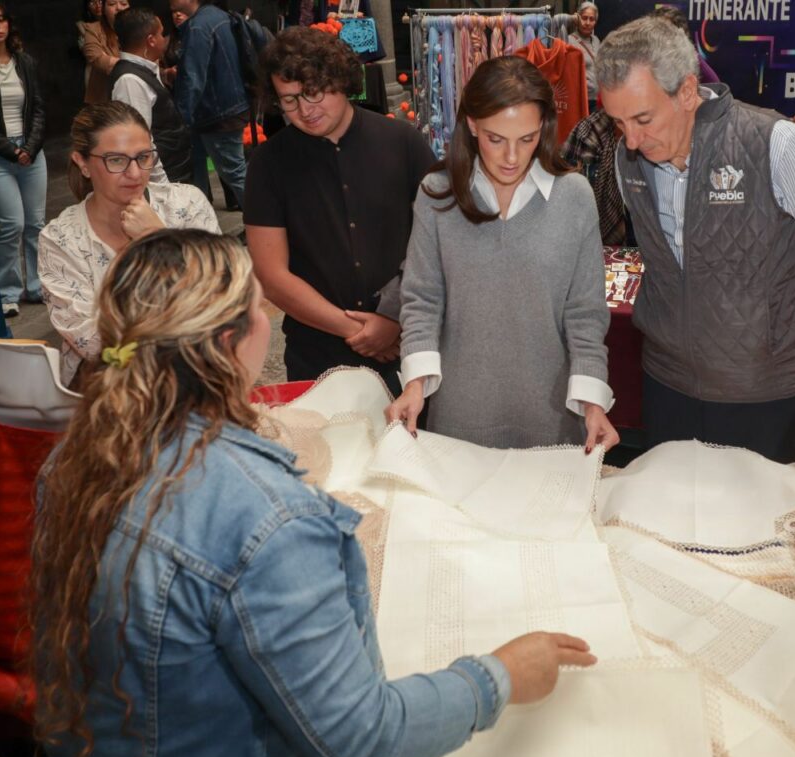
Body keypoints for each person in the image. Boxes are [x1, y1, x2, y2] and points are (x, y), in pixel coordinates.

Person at [30, 227, 597, 757]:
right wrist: (499, 676)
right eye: (258, 307)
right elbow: (364, 739)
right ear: (230, 344)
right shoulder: (267, 517)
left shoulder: (78, 454)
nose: (266, 320)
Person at [596, 17, 795, 463]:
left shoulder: (776, 145)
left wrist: (776, 316)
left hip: (765, 391)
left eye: (642, 118)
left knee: (766, 526)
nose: (633, 139)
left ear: (685, 91)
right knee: (673, 521)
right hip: (668, 384)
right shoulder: (628, 162)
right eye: (618, 122)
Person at [385, 56, 618, 453]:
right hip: (459, 416)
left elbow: (585, 313)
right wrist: (415, 384)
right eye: (496, 139)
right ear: (472, 125)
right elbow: (422, 299)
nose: (512, 157)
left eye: (526, 139)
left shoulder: (574, 197)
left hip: (555, 419)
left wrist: (593, 402)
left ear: (543, 128)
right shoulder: (437, 194)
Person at [244, 27, 434, 385]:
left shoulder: (403, 142)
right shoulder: (268, 162)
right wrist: (359, 331)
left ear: (341, 81)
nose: (304, 110)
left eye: (313, 93)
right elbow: (271, 275)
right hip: (317, 348)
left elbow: (437, 243)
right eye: (289, 100)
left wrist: (392, 319)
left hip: (410, 337)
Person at [38, 102, 218, 388]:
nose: (135, 173)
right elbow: (92, 340)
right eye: (116, 160)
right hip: (106, 388)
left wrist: (157, 239)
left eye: (143, 157)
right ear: (83, 163)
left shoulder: (186, 204)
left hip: (198, 377)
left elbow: (222, 299)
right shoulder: (62, 238)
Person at [0, 0, 46, 319]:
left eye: (1, 19)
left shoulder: (25, 62)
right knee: (12, 224)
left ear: (9, 23)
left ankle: (36, 286)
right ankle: (6, 293)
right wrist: (12, 151)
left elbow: (38, 109)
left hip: (31, 152)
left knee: (35, 223)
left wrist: (29, 148)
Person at [169, 0, 249, 209]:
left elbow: (192, 78)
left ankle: (265, 225)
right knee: (204, 171)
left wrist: (181, 118)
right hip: (226, 107)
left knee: (235, 173)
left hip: (216, 112)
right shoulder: (216, 16)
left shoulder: (198, 27)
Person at [110, 8, 192, 184]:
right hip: (166, 178)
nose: (165, 39)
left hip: (177, 168)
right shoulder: (129, 80)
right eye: (162, 34)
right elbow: (141, 140)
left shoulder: (145, 71)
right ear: (151, 40)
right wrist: (163, 185)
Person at [649, 5, 721, 84]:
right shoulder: (648, 58)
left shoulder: (694, 62)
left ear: (681, 35)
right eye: (656, 31)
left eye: (663, 31)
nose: (657, 37)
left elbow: (715, 87)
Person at [81, 0, 128, 103]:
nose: (119, 8)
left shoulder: (138, 28)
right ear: (104, 9)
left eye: (123, 4)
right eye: (112, 4)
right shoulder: (94, 29)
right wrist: (133, 66)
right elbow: (96, 57)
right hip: (104, 99)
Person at [569, 1, 600, 114]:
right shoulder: (569, 41)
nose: (587, 22)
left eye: (591, 19)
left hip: (596, 99)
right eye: (584, 18)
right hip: (581, 99)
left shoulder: (596, 40)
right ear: (577, 18)